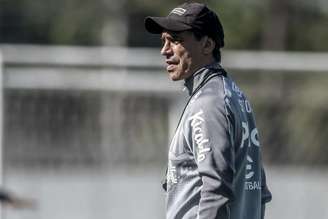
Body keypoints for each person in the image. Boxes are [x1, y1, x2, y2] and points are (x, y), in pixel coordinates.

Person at [144, 2, 272, 219]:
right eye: (163, 41)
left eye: (175, 40)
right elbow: (259, 192)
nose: (165, 50)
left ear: (207, 45)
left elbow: (215, 189)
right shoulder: (234, 96)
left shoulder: (208, 103)